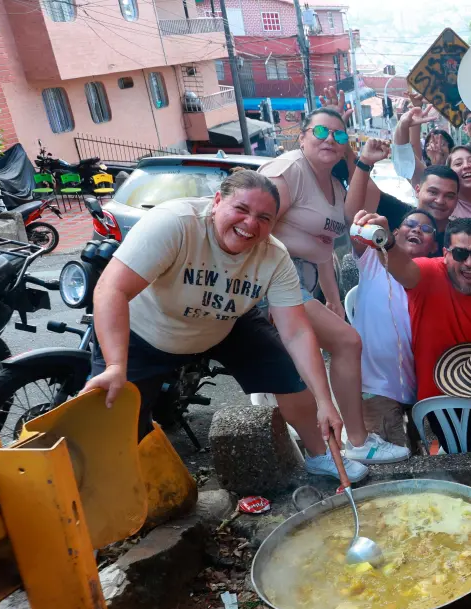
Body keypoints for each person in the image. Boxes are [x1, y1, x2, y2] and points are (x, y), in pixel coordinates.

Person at [80, 170, 363, 481]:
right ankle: (117, 494)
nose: (250, 224)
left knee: (288, 372)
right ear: (217, 202)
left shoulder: (273, 255)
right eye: (241, 209)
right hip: (145, 332)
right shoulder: (175, 223)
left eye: (264, 218)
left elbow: (295, 331)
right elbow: (111, 289)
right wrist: (115, 364)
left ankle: (322, 456)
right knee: (117, 422)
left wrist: (325, 400)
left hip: (225, 321)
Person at [259, 108, 410, 464]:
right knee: (347, 342)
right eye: (322, 132)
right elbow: (256, 227)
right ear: (302, 136)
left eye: (340, 136)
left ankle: (324, 452)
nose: (330, 139)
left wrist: (333, 299)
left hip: (302, 285)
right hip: (271, 281)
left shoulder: (334, 184)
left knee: (302, 368)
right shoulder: (289, 171)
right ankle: (356, 441)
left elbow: (326, 246)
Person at [368, 215, 471, 436]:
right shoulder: (428, 273)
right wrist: (386, 241)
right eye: (460, 254)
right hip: (438, 403)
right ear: (446, 254)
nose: (470, 263)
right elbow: (400, 266)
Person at [351, 206, 440, 448]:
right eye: (411, 225)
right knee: (388, 465)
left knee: (426, 463)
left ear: (434, 247)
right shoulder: (370, 257)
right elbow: (355, 223)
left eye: (426, 229)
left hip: (422, 390)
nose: (417, 230)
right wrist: (370, 222)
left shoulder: (436, 275)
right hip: (377, 386)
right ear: (396, 232)